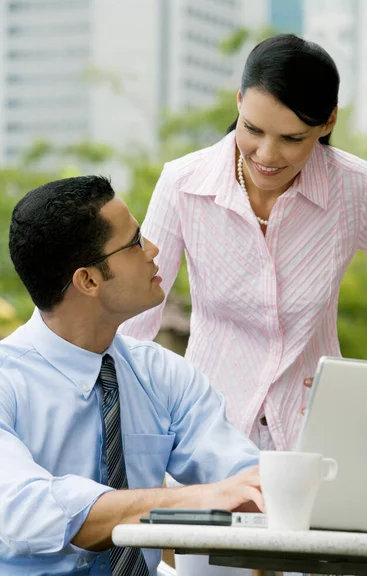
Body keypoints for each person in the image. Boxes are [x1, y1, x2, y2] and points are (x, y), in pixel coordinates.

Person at [120, 34, 367, 463]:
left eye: (292, 138)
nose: (266, 155)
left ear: (327, 122)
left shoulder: (355, 187)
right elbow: (133, 317)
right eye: (252, 129)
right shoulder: (183, 183)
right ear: (238, 103)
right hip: (204, 435)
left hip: (319, 441)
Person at [0, 175, 263, 576]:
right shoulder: (6, 380)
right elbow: (25, 509)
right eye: (136, 242)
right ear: (88, 280)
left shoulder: (162, 375)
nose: (154, 251)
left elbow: (238, 478)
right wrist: (188, 500)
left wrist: (274, 486)